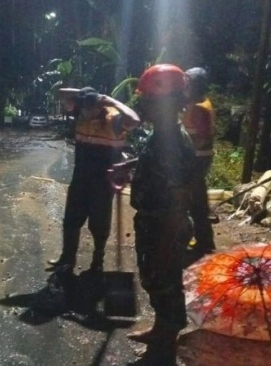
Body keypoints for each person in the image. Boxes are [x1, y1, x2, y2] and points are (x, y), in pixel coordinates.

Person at [122, 64, 195, 365]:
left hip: (165, 223)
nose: (143, 105)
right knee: (154, 278)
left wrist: (167, 238)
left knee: (164, 279)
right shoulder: (163, 133)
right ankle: (160, 328)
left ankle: (166, 345)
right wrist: (131, 166)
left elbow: (179, 196)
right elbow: (158, 165)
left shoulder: (171, 140)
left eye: (149, 100)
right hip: (154, 221)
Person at [49, 86, 140, 275]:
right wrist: (85, 92)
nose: (85, 113)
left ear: (99, 106)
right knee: (71, 221)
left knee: (99, 224)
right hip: (80, 179)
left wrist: (110, 100)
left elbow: (135, 120)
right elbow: (59, 91)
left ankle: (97, 260)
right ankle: (67, 259)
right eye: (83, 109)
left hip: (103, 182)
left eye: (89, 109)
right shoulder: (81, 111)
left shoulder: (114, 119)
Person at [183, 67, 216, 257]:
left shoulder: (199, 107)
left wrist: (183, 146)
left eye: (188, 82)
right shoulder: (199, 103)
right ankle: (204, 240)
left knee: (193, 201)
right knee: (198, 200)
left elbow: (204, 137)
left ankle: (202, 242)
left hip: (197, 158)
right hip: (198, 157)